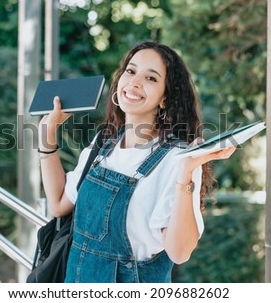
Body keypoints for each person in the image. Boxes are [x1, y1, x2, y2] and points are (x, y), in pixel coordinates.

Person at [38, 41, 236, 283]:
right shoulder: (103, 144)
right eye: (130, 71)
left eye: (151, 78)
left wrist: (186, 173)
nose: (134, 82)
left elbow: (180, 252)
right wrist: (47, 135)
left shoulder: (178, 158)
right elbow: (59, 204)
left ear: (165, 98)